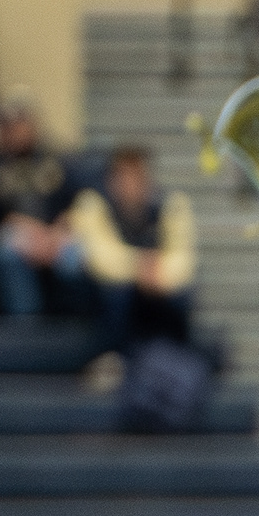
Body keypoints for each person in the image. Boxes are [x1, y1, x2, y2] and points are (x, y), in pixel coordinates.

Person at [65, 144, 197, 361]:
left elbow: (183, 261)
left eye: (137, 177)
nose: (131, 184)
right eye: (124, 176)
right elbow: (100, 257)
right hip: (105, 290)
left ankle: (174, 360)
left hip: (156, 286)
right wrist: (141, 266)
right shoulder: (92, 203)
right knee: (117, 293)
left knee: (181, 296)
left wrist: (159, 276)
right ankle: (111, 357)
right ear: (111, 179)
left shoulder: (170, 204)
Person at [0, 96, 89, 323]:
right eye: (9, 125)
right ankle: (26, 326)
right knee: (6, 250)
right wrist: (19, 225)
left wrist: (60, 228)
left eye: (21, 123)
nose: (16, 131)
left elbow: (82, 200)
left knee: (78, 255)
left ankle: (78, 324)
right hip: (17, 234)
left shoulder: (59, 160)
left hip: (58, 233)